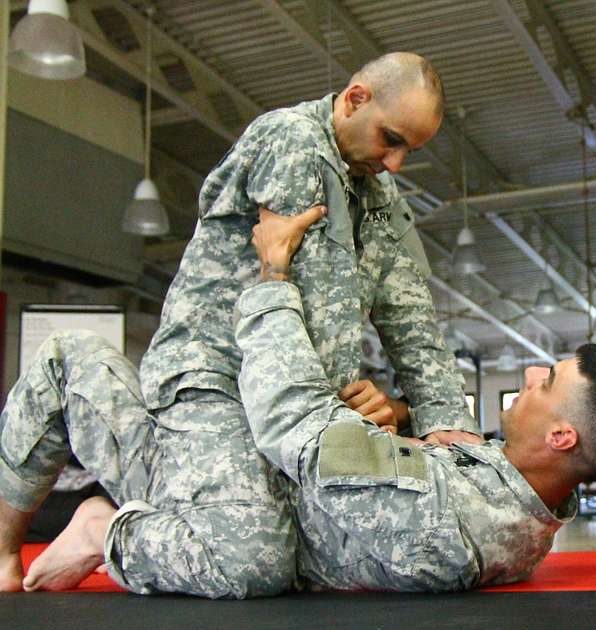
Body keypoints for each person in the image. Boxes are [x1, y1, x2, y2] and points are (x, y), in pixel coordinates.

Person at [5, 52, 480, 596]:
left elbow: (408, 312)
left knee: (333, 553)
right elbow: (308, 291)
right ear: (355, 99)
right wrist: (331, 414)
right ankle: (101, 523)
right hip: (216, 385)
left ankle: (119, 426)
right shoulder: (292, 141)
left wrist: (450, 430)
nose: (395, 162)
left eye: (408, 151)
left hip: (289, 408)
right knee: (252, 558)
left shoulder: (376, 191)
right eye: (390, 139)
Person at [0, 204, 596, 594]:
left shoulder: (456, 522)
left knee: (250, 559)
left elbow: (294, 423)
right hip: (246, 471)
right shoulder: (524, 489)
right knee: (75, 364)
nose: (532, 375)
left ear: (563, 438)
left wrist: (273, 273)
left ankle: (103, 525)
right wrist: (391, 422)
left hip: (248, 480)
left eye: (548, 383)